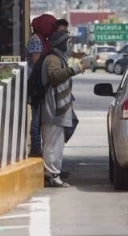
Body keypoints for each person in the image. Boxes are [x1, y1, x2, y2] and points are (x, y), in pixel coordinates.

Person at [41, 30, 85, 187]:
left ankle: (53, 174)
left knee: (56, 144)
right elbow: (54, 76)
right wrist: (75, 70)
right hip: (53, 108)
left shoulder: (59, 58)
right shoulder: (53, 58)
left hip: (58, 109)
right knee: (52, 144)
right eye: (67, 43)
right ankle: (51, 175)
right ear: (61, 44)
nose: (69, 46)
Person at [26, 14, 57, 158]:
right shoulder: (36, 40)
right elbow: (37, 61)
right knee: (36, 116)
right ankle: (36, 147)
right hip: (36, 82)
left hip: (41, 82)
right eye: (51, 26)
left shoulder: (43, 40)